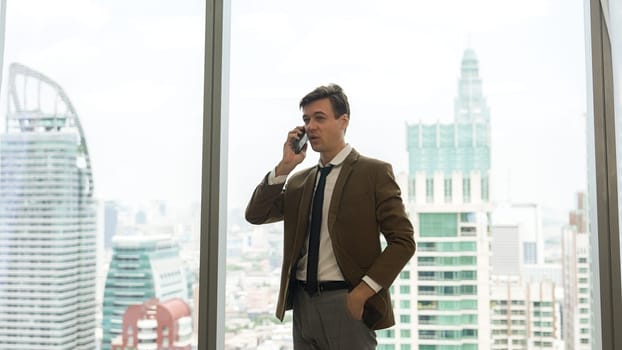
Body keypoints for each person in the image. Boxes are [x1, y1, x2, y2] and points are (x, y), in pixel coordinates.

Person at [245, 83, 416, 349]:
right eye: (306, 119)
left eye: (320, 118)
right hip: (303, 304)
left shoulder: (373, 173)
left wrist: (362, 293)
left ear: (343, 121)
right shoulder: (300, 181)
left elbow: (403, 241)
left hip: (346, 302)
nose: (311, 126)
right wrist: (285, 167)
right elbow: (256, 214)